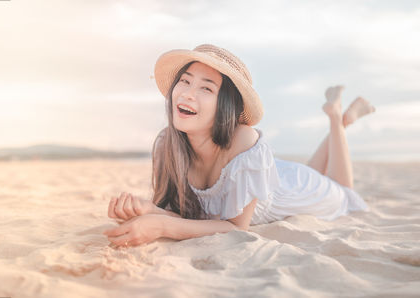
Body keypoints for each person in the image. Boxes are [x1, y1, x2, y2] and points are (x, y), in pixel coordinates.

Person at [104, 44, 375, 248]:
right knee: (313, 173)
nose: (187, 93)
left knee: (344, 192)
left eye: (206, 89)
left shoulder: (245, 139)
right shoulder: (168, 144)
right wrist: (150, 210)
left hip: (298, 189)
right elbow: (191, 216)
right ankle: (342, 118)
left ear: (226, 107)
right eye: (185, 81)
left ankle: (337, 118)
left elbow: (236, 228)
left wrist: (162, 224)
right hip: (279, 177)